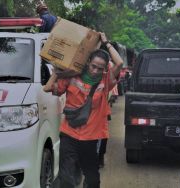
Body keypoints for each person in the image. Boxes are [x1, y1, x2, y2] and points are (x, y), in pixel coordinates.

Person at [43, 33, 123, 188]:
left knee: (93, 180)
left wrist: (106, 42)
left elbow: (119, 63)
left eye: (100, 68)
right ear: (87, 63)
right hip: (69, 134)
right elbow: (47, 88)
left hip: (91, 137)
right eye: (93, 66)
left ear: (105, 69)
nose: (95, 71)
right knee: (66, 178)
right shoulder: (72, 77)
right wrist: (57, 73)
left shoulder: (106, 80)